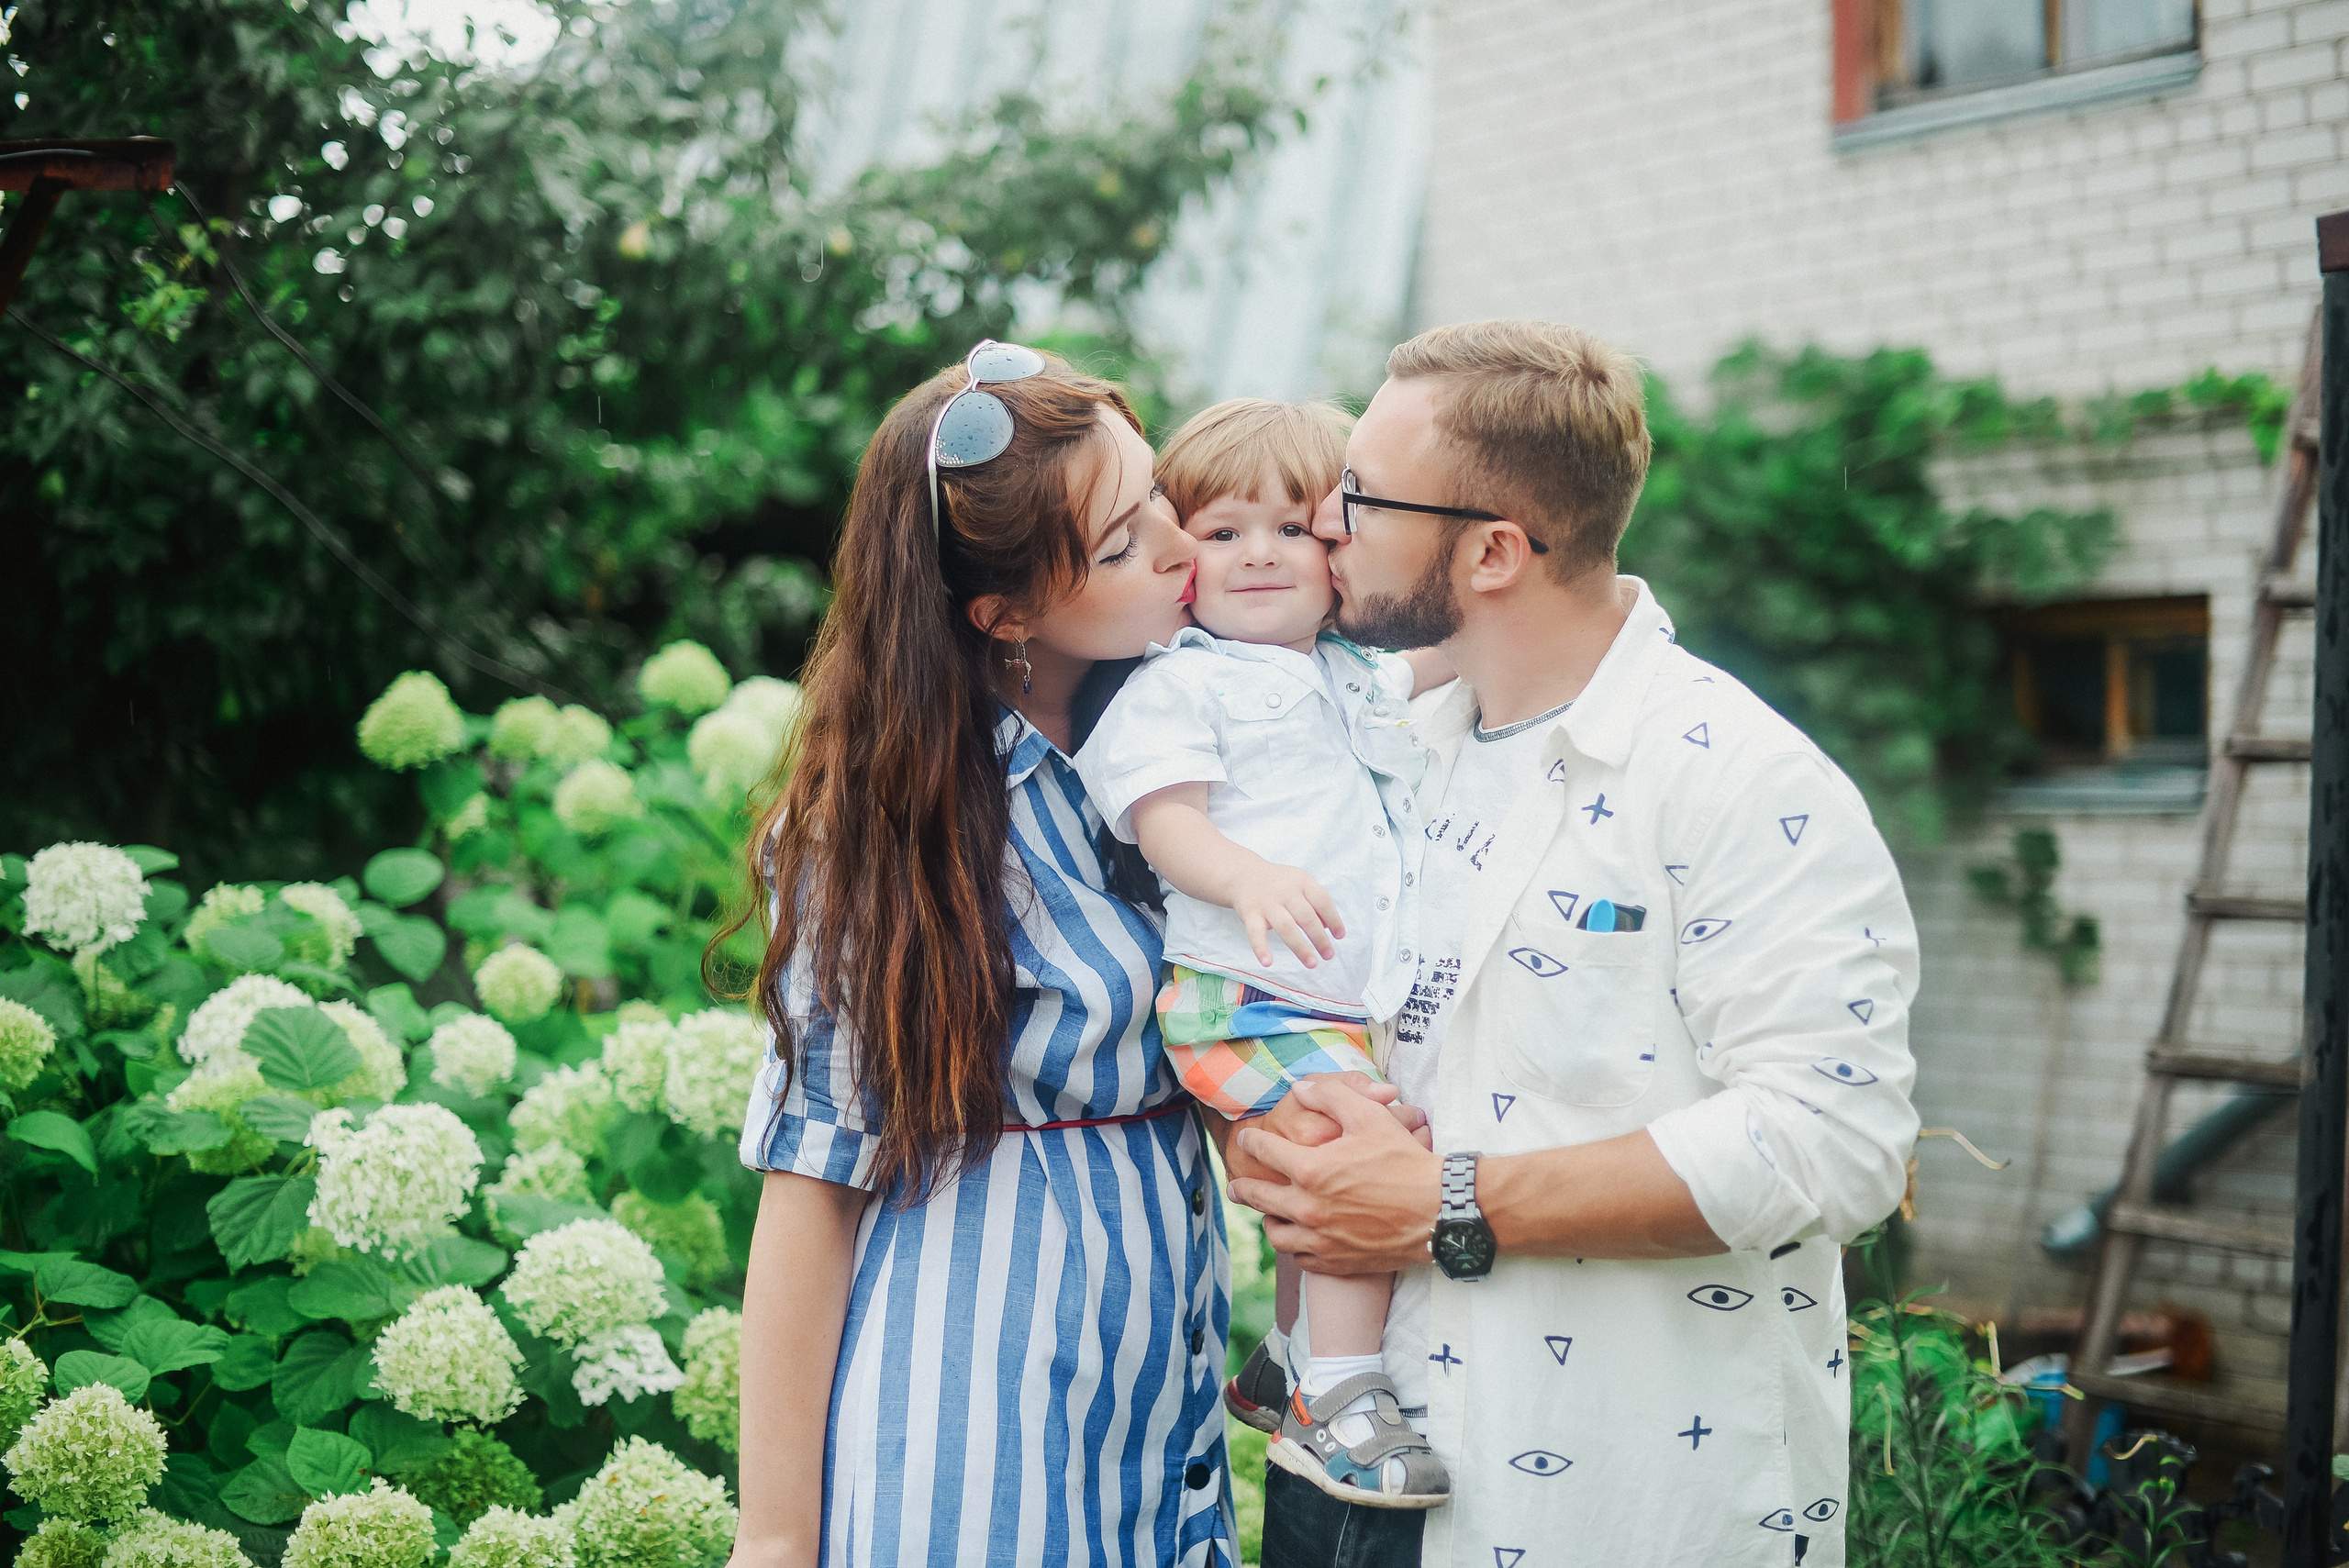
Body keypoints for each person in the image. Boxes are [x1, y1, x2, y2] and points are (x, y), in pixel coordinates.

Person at [1223, 319, 1922, 1568]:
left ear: (1494, 551)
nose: (1323, 520)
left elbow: (1836, 1140)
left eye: (1360, 496)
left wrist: (1444, 1204)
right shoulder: (1371, 748)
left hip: (1610, 1500)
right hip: (1341, 1467)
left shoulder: (1739, 778)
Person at [726, 342, 1233, 1568]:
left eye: (1159, 496)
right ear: (1003, 613)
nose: (1177, 547)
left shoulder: (1205, 715)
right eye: (1120, 546)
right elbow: (812, 1171)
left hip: (1159, 1360)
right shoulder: (890, 814)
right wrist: (775, 1538)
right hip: (976, 1386)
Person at [1073, 398, 1453, 1511]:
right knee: (1352, 1153)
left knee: (1344, 1135)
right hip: (1242, 995)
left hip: (1330, 994)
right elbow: (1164, 818)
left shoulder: (1350, 672)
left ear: (1338, 553)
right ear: (1178, 554)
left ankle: (1286, 1354)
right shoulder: (1182, 681)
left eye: (1293, 528)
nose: (1259, 555)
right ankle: (1339, 1392)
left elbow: (1447, 671)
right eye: (1224, 531)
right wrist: (1244, 875)